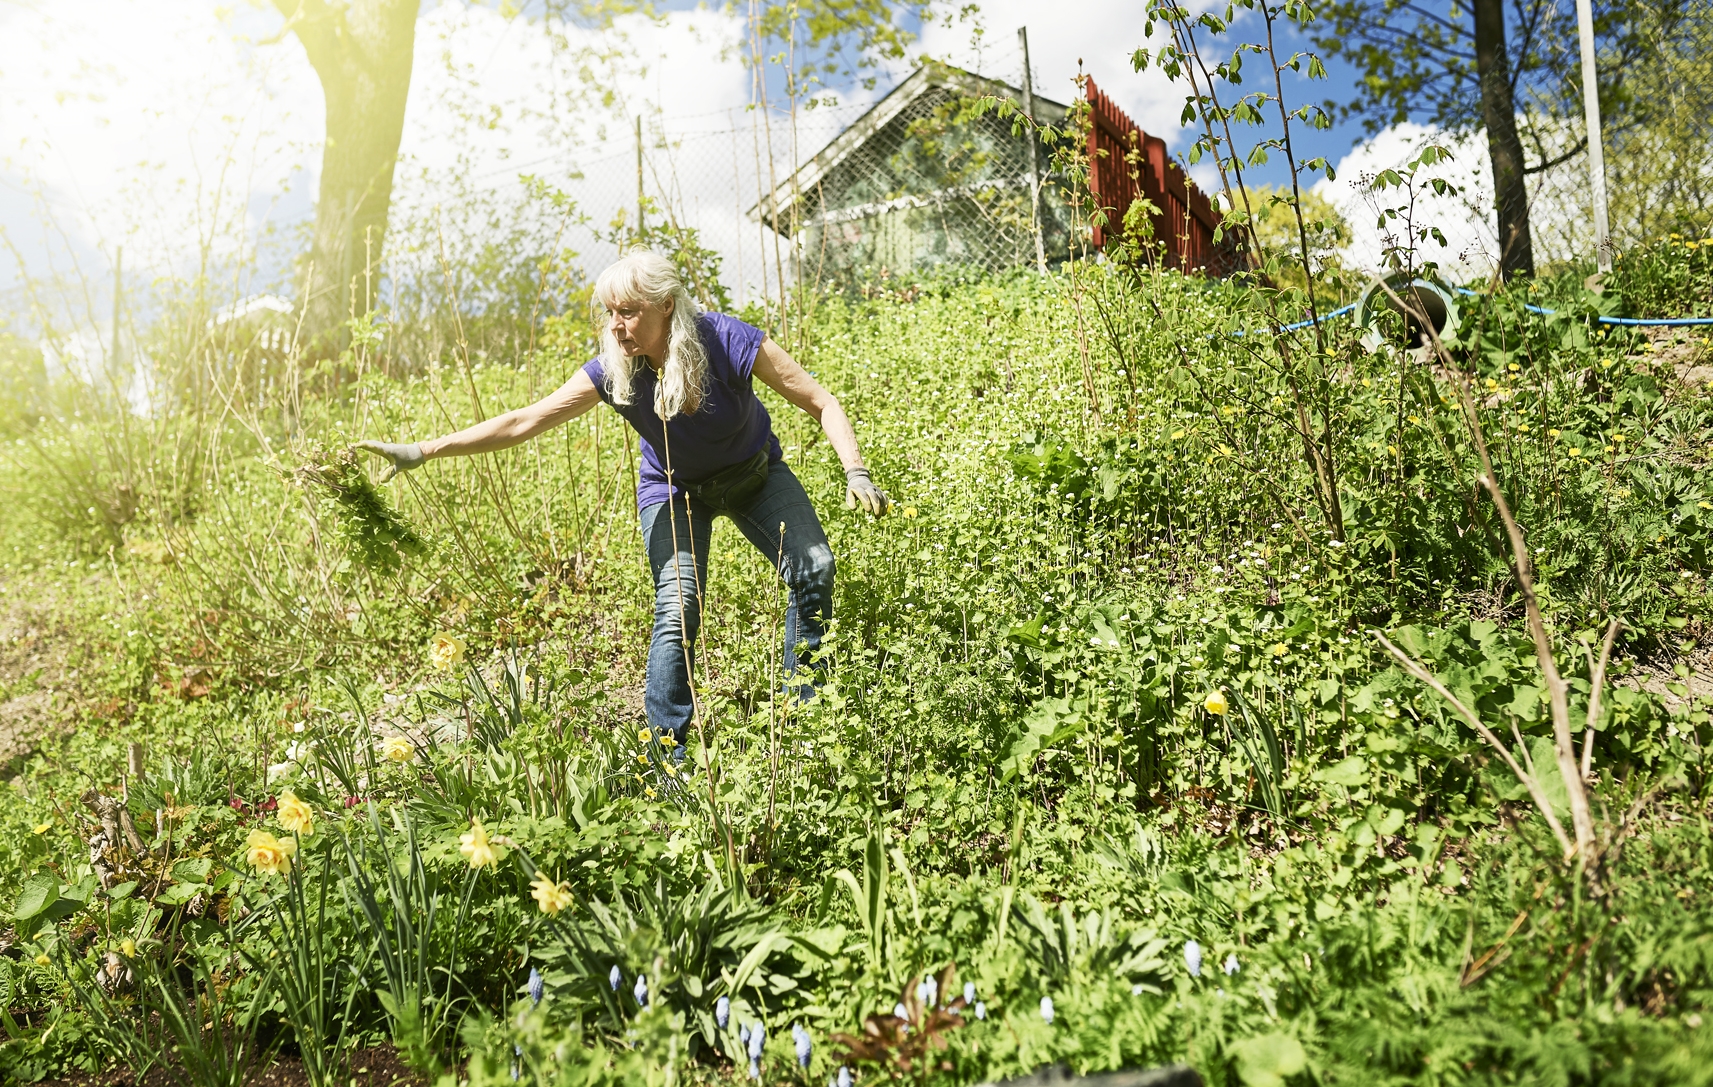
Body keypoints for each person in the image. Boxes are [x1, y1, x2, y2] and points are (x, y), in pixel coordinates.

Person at [356, 249, 888, 764]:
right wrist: (424, 450)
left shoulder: (726, 340)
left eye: (628, 312)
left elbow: (821, 401)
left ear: (667, 307)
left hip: (754, 475)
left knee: (814, 567)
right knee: (678, 605)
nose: (616, 325)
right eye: (610, 313)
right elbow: (523, 421)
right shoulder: (615, 371)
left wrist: (855, 470)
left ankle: (807, 719)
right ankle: (668, 756)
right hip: (675, 492)